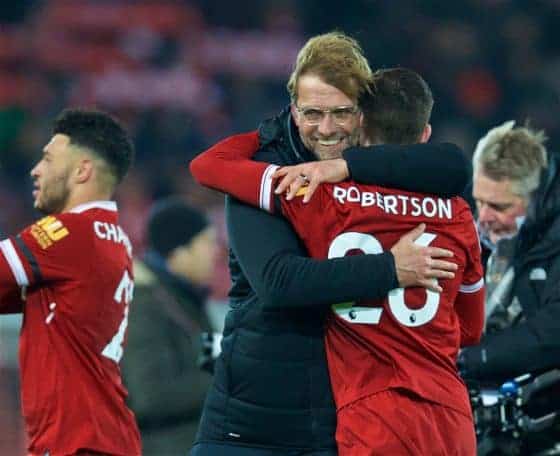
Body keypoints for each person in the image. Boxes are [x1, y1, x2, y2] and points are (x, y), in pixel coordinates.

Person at [190, 32, 470, 455]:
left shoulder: (380, 170)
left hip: (343, 425)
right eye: (313, 113)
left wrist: (345, 166)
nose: (326, 129)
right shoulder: (264, 174)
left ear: (364, 115)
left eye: (342, 112)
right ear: (293, 108)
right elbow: (278, 282)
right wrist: (391, 270)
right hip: (253, 424)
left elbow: (453, 165)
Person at [0, 109, 141, 455]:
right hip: (100, 437)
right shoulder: (112, 238)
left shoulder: (71, 233)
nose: (36, 169)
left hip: (77, 442)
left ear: (82, 171)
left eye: (48, 159)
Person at [458, 121, 560, 453]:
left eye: (500, 206)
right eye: (479, 201)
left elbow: (553, 329)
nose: (483, 216)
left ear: (534, 197)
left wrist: (472, 359)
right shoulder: (475, 236)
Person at [122, 197, 217, 454]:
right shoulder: (144, 305)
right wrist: (226, 383)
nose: (215, 252)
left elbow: (209, 362)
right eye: (207, 243)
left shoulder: (188, 296)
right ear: (179, 251)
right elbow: (149, 396)